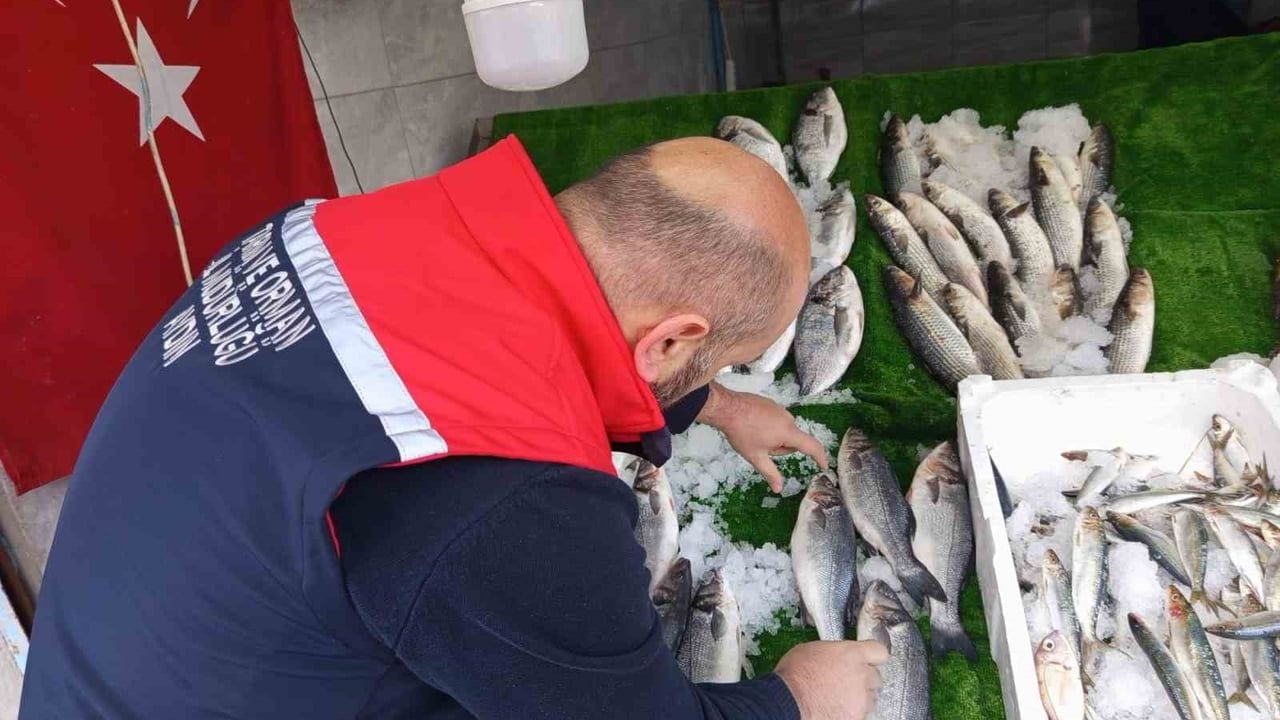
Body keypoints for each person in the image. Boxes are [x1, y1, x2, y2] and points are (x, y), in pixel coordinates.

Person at [20, 136, 886, 719]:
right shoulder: (507, 501)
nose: (720, 378)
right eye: (723, 361)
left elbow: (534, 339)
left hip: (115, 652)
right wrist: (796, 697)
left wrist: (717, 403)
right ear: (669, 341)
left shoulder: (368, 227)